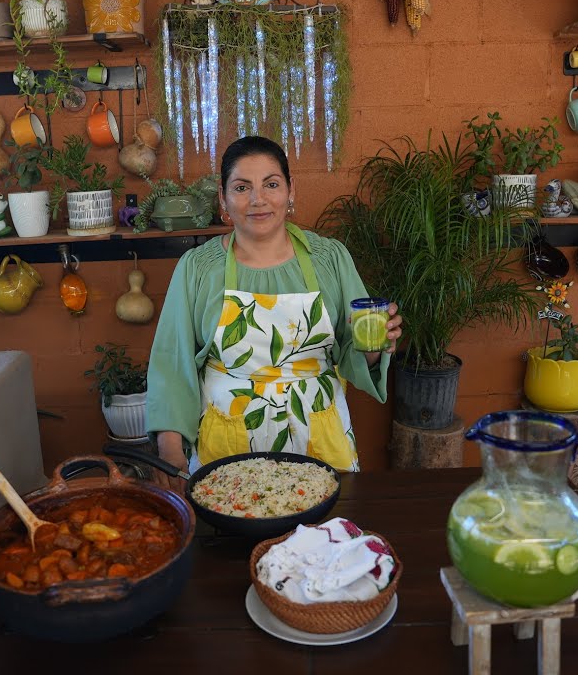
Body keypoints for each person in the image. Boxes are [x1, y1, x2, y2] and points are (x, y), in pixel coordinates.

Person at [145, 135, 403, 493]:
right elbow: (172, 366)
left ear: (290, 190)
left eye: (271, 184)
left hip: (319, 438)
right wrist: (170, 449)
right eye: (242, 187)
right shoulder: (198, 268)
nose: (258, 199)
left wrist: (378, 343)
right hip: (226, 443)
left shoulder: (330, 259)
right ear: (223, 197)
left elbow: (356, 352)